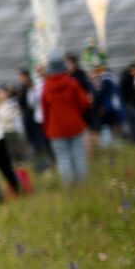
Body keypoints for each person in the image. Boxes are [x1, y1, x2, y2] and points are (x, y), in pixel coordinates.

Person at [41, 54, 92, 186]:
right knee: (79, 158)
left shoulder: (46, 87)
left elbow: (44, 112)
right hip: (75, 126)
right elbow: (84, 103)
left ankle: (70, 190)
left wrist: (47, 129)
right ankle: (82, 188)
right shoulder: (72, 83)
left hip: (56, 130)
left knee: (63, 160)